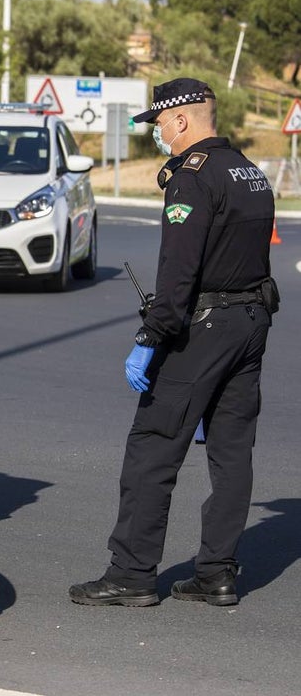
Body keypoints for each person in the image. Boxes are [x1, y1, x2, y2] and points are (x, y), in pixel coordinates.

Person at [69, 78, 278, 608]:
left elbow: (179, 274)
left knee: (152, 448)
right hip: (251, 321)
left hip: (203, 327)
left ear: (182, 119)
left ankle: (132, 574)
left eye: (159, 123)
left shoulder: (192, 178)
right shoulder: (250, 172)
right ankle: (217, 572)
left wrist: (151, 336)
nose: (157, 133)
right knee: (232, 452)